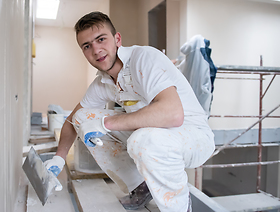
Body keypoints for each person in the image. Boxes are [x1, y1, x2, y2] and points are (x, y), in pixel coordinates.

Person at [43, 11, 215, 212]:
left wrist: (104, 124)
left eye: (101, 39)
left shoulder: (143, 58)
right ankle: (140, 187)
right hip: (155, 134)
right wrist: (59, 157)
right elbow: (72, 120)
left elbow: (173, 114)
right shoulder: (104, 82)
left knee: (142, 140)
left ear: (117, 39)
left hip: (193, 135)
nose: (96, 50)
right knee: (83, 117)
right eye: (87, 46)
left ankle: (180, 208)